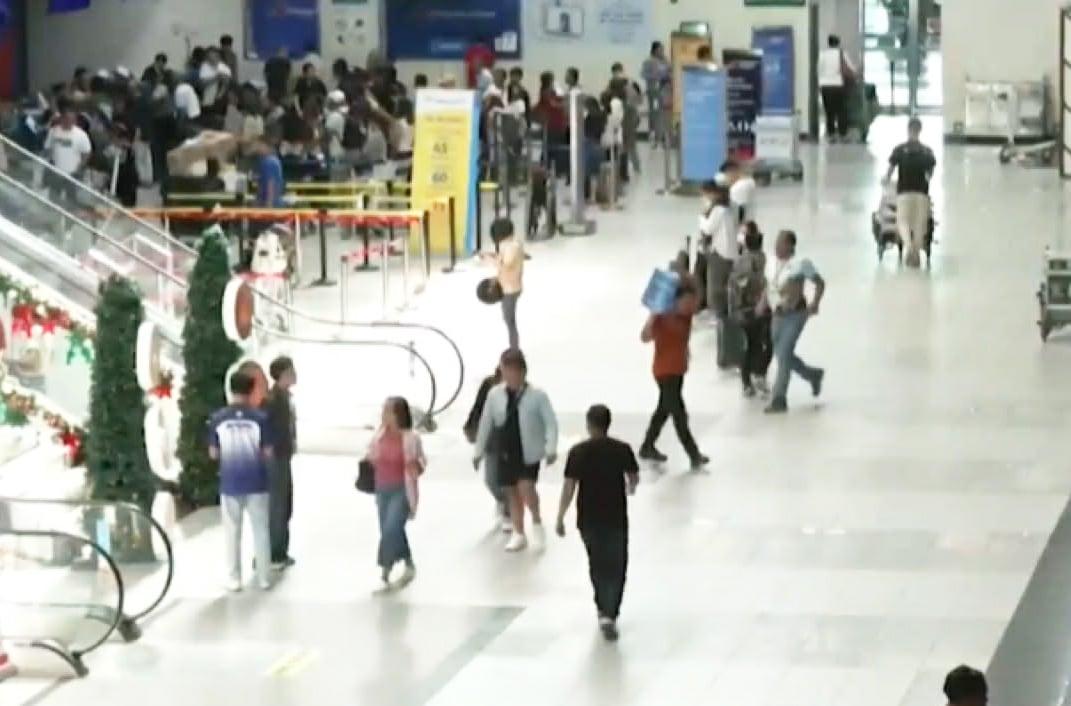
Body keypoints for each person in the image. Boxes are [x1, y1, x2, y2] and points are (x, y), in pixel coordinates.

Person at [555, 404, 638, 642]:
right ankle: (611, 611)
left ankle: (602, 607)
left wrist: (561, 515)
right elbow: (633, 479)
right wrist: (630, 487)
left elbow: (569, 486)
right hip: (616, 517)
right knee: (617, 565)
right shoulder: (622, 449)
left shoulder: (578, 452)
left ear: (589, 425)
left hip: (588, 519)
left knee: (597, 563)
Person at [474, 349, 559, 552]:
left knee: (526, 488)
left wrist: (551, 447)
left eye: (514, 371)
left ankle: (537, 523)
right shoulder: (495, 395)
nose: (511, 376)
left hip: (528, 449)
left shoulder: (537, 396)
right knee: (511, 491)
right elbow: (486, 422)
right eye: (507, 371)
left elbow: (551, 423)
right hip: (505, 448)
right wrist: (478, 451)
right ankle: (518, 532)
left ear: (523, 372)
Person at [207, 370, 275, 591]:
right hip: (257, 483)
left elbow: (213, 454)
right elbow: (267, 452)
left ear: (231, 390)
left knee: (232, 532)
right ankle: (264, 577)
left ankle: (234, 579)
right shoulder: (260, 419)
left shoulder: (218, 419)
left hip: (230, 483)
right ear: (251, 390)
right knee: (261, 531)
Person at [639, 280, 709, 469]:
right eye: (686, 302)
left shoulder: (686, 316)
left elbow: (699, 295)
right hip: (664, 371)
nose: (690, 305)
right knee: (679, 414)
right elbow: (644, 337)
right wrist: (652, 316)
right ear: (675, 301)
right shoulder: (662, 316)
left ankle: (647, 446)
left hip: (678, 371)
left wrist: (686, 278)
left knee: (663, 410)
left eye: (691, 302)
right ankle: (693, 454)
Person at [364, 397, 425, 589]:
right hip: (382, 488)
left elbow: (421, 461)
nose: (384, 415)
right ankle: (407, 560)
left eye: (388, 411)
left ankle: (385, 564)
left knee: (391, 527)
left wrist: (416, 467)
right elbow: (371, 455)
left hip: (401, 489)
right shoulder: (378, 436)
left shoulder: (411, 438)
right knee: (391, 529)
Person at [764, 230, 825, 414]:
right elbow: (768, 287)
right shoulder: (771, 263)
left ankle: (779, 398)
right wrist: (762, 304)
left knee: (783, 353)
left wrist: (815, 302)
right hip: (776, 314)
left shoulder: (801, 264)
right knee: (783, 355)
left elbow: (820, 282)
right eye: (776, 242)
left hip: (796, 314)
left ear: (790, 246)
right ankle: (813, 375)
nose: (777, 246)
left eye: (781, 243)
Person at [883, 116, 936, 268]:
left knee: (903, 221)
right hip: (921, 193)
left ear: (908, 130)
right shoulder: (927, 152)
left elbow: (889, 172)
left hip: (904, 192)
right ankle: (917, 251)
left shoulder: (899, 150)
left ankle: (908, 246)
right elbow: (929, 175)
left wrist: (885, 180)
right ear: (920, 130)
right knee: (920, 224)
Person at [464, 366, 510, 531]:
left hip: (511, 443)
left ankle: (509, 512)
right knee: (491, 479)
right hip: (491, 440)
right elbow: (478, 408)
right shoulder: (489, 385)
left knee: (508, 480)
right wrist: (471, 428)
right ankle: (502, 500)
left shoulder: (521, 390)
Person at [730, 222, 772, 397]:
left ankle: (748, 382)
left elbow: (736, 286)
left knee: (751, 345)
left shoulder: (741, 261)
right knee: (765, 343)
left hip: (746, 308)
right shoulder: (764, 259)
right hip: (761, 307)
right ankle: (758, 374)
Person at [264, 356, 297, 570]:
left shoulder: (284, 396)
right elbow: (265, 425)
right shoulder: (272, 399)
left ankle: (281, 551)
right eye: (291, 370)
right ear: (283, 374)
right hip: (276, 458)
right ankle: (274, 553)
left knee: (284, 503)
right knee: (277, 505)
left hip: (284, 455)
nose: (295, 374)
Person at [698, 180, 737, 318]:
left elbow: (708, 229)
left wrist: (701, 217)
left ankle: (718, 315)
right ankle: (725, 313)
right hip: (731, 252)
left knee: (715, 286)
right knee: (725, 284)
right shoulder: (729, 207)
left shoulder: (717, 210)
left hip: (720, 252)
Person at [43, 100, 92, 203]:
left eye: (71, 119)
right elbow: (47, 148)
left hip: (72, 174)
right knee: (53, 199)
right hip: (56, 172)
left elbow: (86, 153)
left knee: (71, 201)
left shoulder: (81, 135)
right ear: (62, 118)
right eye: (66, 119)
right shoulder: (54, 131)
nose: (69, 121)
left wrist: (79, 168)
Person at [489, 218, 524, 350]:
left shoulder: (512, 247)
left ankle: (514, 349)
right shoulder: (510, 244)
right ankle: (513, 347)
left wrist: (490, 261)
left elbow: (507, 264)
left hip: (511, 289)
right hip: (508, 286)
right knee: (508, 318)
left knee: (510, 321)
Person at [817, 35, 855, 142]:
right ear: (838, 43)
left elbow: (819, 70)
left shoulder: (822, 55)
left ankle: (831, 134)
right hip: (838, 85)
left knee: (829, 111)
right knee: (841, 111)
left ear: (829, 43)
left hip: (825, 86)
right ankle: (843, 134)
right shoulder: (842, 54)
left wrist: (820, 85)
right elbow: (851, 68)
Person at [641, 41, 670, 146]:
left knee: (664, 114)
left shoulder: (665, 61)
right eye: (660, 49)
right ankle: (653, 135)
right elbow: (643, 74)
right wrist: (655, 76)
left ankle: (663, 135)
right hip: (653, 92)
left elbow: (671, 71)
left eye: (663, 49)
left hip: (664, 92)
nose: (662, 51)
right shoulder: (648, 61)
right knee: (653, 114)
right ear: (655, 50)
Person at [254, 136, 285, 208]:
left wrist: (269, 205)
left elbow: (270, 183)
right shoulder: (268, 161)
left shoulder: (269, 162)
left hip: (270, 203)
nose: (257, 149)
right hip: (266, 202)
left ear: (265, 146)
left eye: (259, 145)